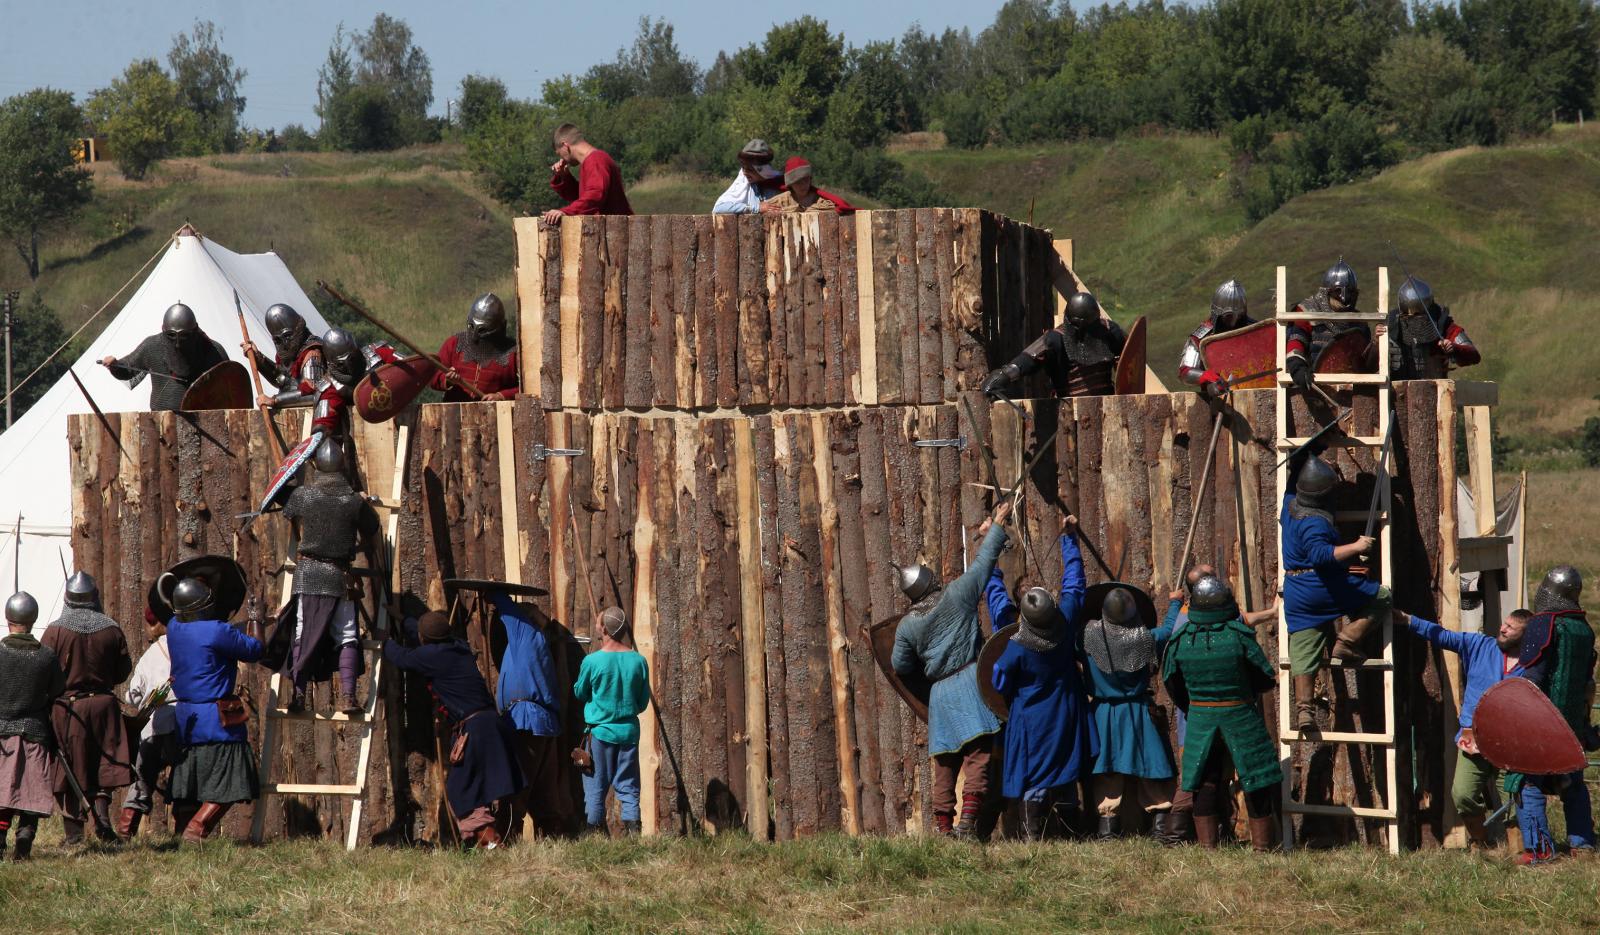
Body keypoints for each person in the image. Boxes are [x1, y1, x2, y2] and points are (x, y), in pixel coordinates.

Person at [891, 500, 1012, 838]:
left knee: (944, 765)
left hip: (940, 695)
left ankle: (943, 831)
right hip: (971, 686)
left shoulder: (906, 627)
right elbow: (983, 563)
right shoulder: (957, 595)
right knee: (977, 757)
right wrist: (999, 522)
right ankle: (969, 826)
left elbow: (900, 665)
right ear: (930, 582)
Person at [982, 516, 1096, 841]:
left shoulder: (1015, 645)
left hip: (1030, 718)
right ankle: (1072, 833)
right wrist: (1069, 539)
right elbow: (1075, 583)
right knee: (1066, 766)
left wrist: (992, 564)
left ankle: (1036, 836)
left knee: (1034, 773)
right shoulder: (1066, 620)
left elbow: (1000, 682)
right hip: (1066, 711)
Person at [1157, 565, 1279, 845]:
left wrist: (1195, 705)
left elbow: (1172, 682)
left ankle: (1209, 848)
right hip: (1240, 715)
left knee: (1206, 779)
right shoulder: (1239, 636)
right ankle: (1262, 850)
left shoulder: (1181, 640)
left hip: (1200, 716)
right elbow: (1264, 679)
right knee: (1255, 779)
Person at [384, 609, 525, 849]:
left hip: (477, 728)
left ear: (426, 639)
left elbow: (402, 658)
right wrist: (405, 618)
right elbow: (423, 635)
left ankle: (491, 843)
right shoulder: (458, 647)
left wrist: (384, 641)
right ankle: (489, 840)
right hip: (490, 723)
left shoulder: (432, 656)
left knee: (461, 788)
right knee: (481, 784)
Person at [1399, 607, 1529, 850]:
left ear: (1525, 635)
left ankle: (1517, 850)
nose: (1502, 628)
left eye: (1511, 628)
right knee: (1462, 794)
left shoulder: (1532, 665)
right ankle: (1479, 841)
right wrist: (1406, 619)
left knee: (1516, 797)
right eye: (1504, 624)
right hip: (1475, 739)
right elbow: (1441, 635)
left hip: (1511, 743)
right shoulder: (1480, 645)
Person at [1280, 452, 1390, 731]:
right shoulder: (1315, 522)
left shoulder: (1289, 504)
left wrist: (1315, 458)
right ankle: (1348, 641)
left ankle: (1304, 710)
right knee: (1381, 598)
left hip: (1297, 591)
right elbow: (1320, 555)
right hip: (1322, 586)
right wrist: (1357, 547)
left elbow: (1295, 480)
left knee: (1304, 645)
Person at [274, 437, 378, 714]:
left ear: (316, 465)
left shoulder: (304, 495)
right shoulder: (352, 500)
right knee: (347, 636)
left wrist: (288, 477)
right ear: (342, 466)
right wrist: (364, 502)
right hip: (339, 575)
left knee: (302, 634)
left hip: (309, 574)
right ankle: (348, 697)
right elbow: (373, 527)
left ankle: (298, 695)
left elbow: (284, 501)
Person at [165, 576, 263, 843]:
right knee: (232, 776)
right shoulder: (217, 631)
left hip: (187, 718)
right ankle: (196, 829)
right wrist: (256, 618)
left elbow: (212, 635)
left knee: (190, 783)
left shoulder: (173, 627)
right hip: (216, 718)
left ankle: (180, 834)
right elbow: (254, 650)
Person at [1508, 566, 1595, 864]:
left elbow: (1534, 675)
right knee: (1571, 782)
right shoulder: (1583, 628)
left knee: (1524, 780)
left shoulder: (1544, 623)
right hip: (1571, 722)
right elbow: (1587, 683)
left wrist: (1520, 713)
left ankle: (1540, 849)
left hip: (1542, 719)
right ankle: (1582, 845)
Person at [41, 571, 133, 844]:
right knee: (100, 763)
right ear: (94, 597)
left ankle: (78, 834)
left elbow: (46, 672)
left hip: (70, 708)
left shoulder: (55, 631)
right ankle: (101, 826)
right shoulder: (111, 629)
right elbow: (122, 671)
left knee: (72, 765)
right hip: (103, 707)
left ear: (68, 598)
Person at [490, 588, 573, 837]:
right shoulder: (535, 643)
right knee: (543, 789)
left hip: (527, 720)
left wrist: (492, 592)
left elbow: (507, 608)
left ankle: (506, 837)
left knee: (517, 784)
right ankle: (551, 837)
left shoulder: (526, 633)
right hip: (542, 722)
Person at [573, 607, 651, 836]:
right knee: (628, 783)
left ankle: (592, 833)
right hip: (628, 732)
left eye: (599, 623)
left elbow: (580, 692)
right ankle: (633, 831)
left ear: (604, 629)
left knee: (595, 784)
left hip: (600, 733)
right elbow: (642, 701)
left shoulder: (592, 661)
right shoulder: (638, 661)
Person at [0, 592, 64, 861]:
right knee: (31, 792)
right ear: (33, 619)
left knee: (2, 791)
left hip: (2, 735)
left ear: (7, 618)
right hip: (34, 732)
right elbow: (56, 691)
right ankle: (24, 841)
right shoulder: (46, 657)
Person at [981, 292, 1127, 398]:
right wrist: (1003, 376)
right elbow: (1028, 359)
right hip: (1070, 413)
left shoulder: (1110, 332)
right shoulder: (1056, 339)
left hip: (1108, 409)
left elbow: (1129, 361)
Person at [118, 605, 180, 838]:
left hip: (153, 726)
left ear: (154, 625)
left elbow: (132, 695)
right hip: (182, 723)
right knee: (182, 776)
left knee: (143, 781)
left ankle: (125, 833)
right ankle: (185, 833)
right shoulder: (185, 648)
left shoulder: (150, 655)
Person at [98, 303, 229, 412]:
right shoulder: (152, 346)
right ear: (164, 330)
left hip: (205, 424)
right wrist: (115, 365)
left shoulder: (213, 351)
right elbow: (128, 369)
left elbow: (229, 390)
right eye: (172, 336)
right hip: (164, 425)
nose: (178, 343)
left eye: (184, 336)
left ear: (195, 331)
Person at [1284, 260, 1376, 391]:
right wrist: (1298, 367)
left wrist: (1377, 344)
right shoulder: (1308, 310)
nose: (1344, 297)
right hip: (1315, 386)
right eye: (1338, 291)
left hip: (1351, 389)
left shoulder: (1358, 321)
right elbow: (1296, 340)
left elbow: (1365, 361)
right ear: (1327, 291)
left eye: (1349, 292)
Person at [1386, 277, 1480, 380]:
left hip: (1435, 388)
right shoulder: (1392, 325)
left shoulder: (1443, 325)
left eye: (1419, 315)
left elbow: (1474, 356)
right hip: (1397, 390)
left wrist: (1454, 348)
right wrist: (1376, 341)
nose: (1415, 321)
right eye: (1409, 317)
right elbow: (1372, 363)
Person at [433, 293, 519, 402]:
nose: (474, 336)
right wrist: (447, 380)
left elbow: (528, 387)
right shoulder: (454, 344)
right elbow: (432, 376)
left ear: (501, 327)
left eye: (483, 330)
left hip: (495, 415)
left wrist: (501, 396)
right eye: (472, 327)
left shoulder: (512, 352)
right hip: (454, 414)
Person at [1178, 279, 1257, 396]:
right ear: (1217, 313)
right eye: (1228, 316)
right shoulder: (1201, 336)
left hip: (1254, 395)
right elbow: (1185, 372)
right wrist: (1206, 376)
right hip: (1215, 401)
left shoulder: (1255, 330)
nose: (1233, 322)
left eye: (1239, 315)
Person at [542, 124, 633, 223]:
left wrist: (565, 212)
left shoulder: (596, 160)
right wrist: (565, 177)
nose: (561, 158)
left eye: (559, 154)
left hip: (617, 230)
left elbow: (595, 195)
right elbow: (584, 199)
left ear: (565, 146)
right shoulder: (592, 161)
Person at [245, 303, 325, 410]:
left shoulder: (312, 353)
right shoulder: (290, 352)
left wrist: (275, 400)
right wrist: (258, 358)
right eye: (277, 340)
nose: (283, 343)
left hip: (309, 416)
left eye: (287, 336)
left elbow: (312, 394)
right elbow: (282, 380)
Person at [712, 139, 783, 214]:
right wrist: (757, 208)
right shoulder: (744, 181)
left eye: (750, 169)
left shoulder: (780, 182)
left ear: (762, 170)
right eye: (743, 168)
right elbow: (719, 207)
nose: (745, 173)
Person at [762, 157, 854, 215]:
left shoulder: (821, 201)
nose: (803, 185)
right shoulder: (781, 201)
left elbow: (837, 210)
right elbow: (764, 210)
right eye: (798, 182)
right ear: (791, 184)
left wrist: (812, 211)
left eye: (806, 180)